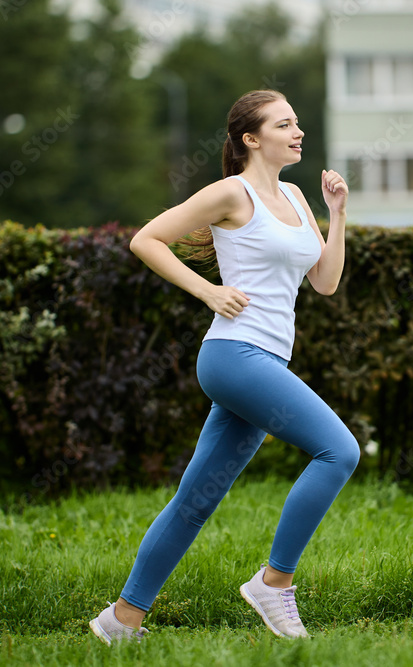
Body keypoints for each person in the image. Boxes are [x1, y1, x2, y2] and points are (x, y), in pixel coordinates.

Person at [89, 89, 359, 644]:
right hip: (234, 355)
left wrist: (337, 215)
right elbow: (148, 239)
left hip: (264, 359)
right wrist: (208, 291)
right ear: (251, 139)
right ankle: (274, 582)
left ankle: (121, 621)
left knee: (195, 500)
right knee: (340, 450)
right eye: (285, 124)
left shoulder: (296, 196)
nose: (298, 131)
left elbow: (325, 284)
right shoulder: (230, 194)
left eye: (298, 123)